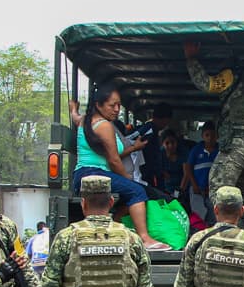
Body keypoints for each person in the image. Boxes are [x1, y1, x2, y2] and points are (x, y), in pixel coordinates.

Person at [184, 41, 244, 231]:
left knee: (219, 188)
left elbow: (206, 84)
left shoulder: (232, 76)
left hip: (239, 146)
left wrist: (191, 59)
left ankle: (224, 233)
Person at [71, 85, 171, 250]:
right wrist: (127, 178)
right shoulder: (104, 126)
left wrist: (73, 109)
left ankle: (115, 228)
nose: (117, 109)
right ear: (99, 105)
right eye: (112, 105)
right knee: (137, 192)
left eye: (119, 105)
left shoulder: (85, 120)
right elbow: (114, 161)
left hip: (82, 175)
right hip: (95, 173)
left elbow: (75, 117)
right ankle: (145, 239)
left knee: (132, 193)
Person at [185, 120, 219, 224]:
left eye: (213, 135)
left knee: (213, 214)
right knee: (198, 214)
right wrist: (194, 185)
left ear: (217, 136)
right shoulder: (196, 150)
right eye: (207, 135)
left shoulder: (220, 150)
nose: (210, 138)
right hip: (197, 188)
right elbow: (188, 168)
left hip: (213, 189)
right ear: (202, 136)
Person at [159, 128, 188, 197]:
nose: (170, 146)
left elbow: (186, 174)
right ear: (162, 144)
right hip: (167, 187)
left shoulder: (183, 152)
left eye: (173, 142)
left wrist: (180, 191)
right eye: (167, 143)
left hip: (183, 185)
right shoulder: (160, 153)